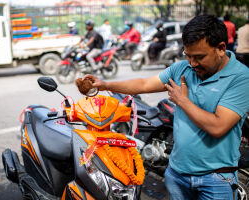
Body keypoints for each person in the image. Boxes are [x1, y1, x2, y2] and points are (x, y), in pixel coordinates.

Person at [80, 15, 249, 200]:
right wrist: (105, 85)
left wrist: (182, 101)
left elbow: (218, 126)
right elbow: (144, 83)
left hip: (215, 180)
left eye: (199, 57)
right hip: (177, 174)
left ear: (221, 48)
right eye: (188, 55)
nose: (192, 63)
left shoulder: (240, 77)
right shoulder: (182, 68)